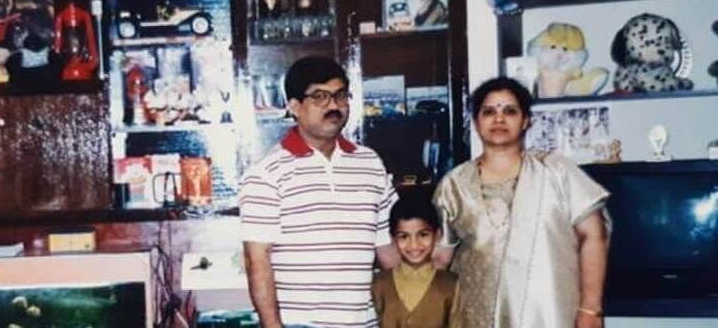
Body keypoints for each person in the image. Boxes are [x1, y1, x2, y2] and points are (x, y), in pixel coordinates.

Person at [432, 76, 610, 328]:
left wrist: (591, 308)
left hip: (549, 313)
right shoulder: (454, 184)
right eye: (489, 112)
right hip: (475, 315)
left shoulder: (557, 172)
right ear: (476, 122)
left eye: (510, 111)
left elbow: (594, 236)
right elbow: (441, 257)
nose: (499, 119)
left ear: (526, 121)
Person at [240, 56, 399, 328]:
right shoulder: (266, 173)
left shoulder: (370, 163)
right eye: (320, 97)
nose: (334, 106)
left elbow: (386, 248)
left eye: (340, 96)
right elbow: (257, 260)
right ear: (294, 106)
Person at [372, 193, 458, 328]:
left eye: (423, 235)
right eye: (404, 236)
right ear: (393, 239)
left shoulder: (453, 286)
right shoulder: (378, 285)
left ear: (438, 235)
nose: (414, 245)